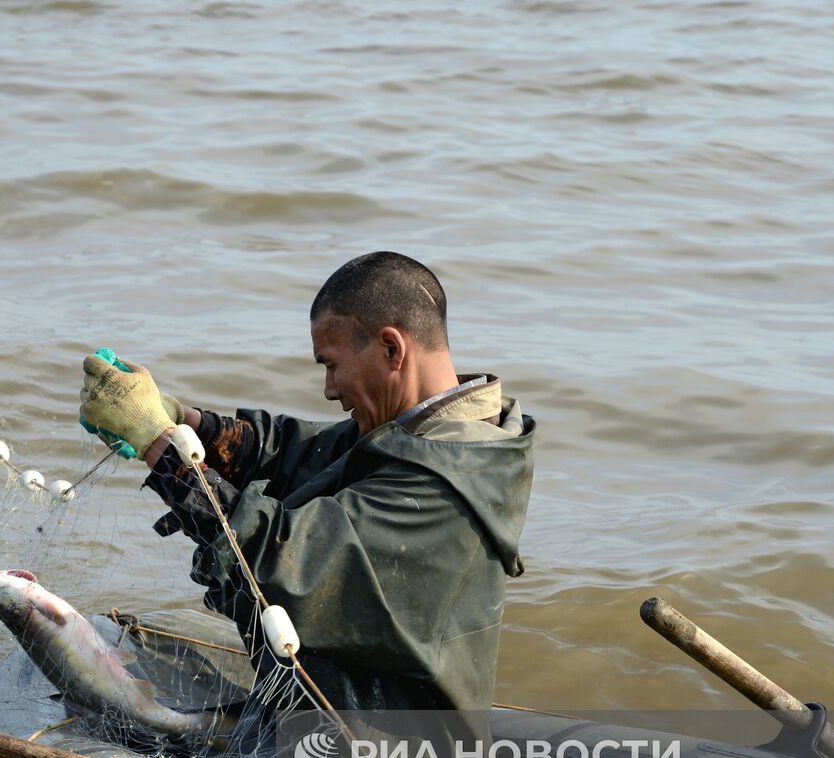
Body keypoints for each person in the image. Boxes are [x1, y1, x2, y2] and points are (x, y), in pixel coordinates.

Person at [79, 251, 534, 720]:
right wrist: (183, 422)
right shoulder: (420, 428)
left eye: (331, 364)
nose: (329, 389)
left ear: (392, 350)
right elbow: (297, 454)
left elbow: (279, 560)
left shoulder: (443, 483)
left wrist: (155, 441)